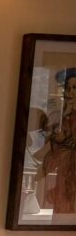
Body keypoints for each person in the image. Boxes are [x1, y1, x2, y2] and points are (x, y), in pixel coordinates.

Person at [41, 68, 76, 214]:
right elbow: (50, 137)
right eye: (67, 88)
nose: (70, 92)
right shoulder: (56, 115)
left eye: (74, 88)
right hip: (60, 169)